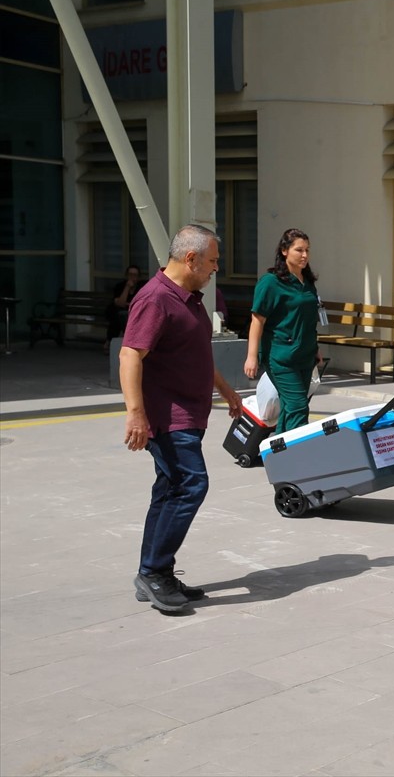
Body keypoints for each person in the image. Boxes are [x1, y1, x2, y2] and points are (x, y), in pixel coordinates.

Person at [119, 224, 242, 613]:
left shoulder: (188, 298)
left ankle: (155, 572)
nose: (215, 269)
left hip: (188, 413)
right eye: (213, 262)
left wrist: (225, 390)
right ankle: (154, 573)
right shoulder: (155, 299)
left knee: (171, 489)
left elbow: (196, 351)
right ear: (191, 258)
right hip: (166, 417)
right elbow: (129, 355)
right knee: (192, 485)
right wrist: (136, 415)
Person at [243, 229, 322, 432]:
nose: (305, 255)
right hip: (281, 357)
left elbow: (307, 318)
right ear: (284, 251)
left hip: (305, 354)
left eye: (307, 250)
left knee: (289, 408)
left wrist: (315, 348)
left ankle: (277, 455)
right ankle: (297, 456)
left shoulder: (307, 281)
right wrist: (251, 356)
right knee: (298, 406)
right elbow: (257, 320)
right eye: (299, 250)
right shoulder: (271, 282)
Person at [105, 265, 145, 354]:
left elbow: (140, 304)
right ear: (126, 275)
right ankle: (117, 341)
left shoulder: (141, 287)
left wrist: (127, 304)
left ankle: (109, 342)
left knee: (121, 316)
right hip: (121, 313)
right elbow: (121, 303)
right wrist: (127, 287)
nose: (132, 277)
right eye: (130, 275)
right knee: (119, 316)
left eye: (135, 275)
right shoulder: (120, 286)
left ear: (138, 277)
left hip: (136, 313)